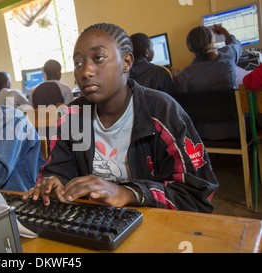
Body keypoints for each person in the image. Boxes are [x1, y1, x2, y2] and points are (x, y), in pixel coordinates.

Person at [23, 23, 219, 213]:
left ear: (127, 62)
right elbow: (57, 171)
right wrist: (53, 182)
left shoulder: (161, 111)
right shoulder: (72, 116)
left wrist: (130, 193)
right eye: (78, 63)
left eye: (98, 58)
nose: (85, 72)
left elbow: (197, 195)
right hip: (94, 222)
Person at [174, 24, 242, 93]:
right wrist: (225, 33)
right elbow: (236, 44)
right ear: (213, 40)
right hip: (230, 103)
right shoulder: (228, 55)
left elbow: (182, 101)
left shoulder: (182, 77)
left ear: (190, 47)